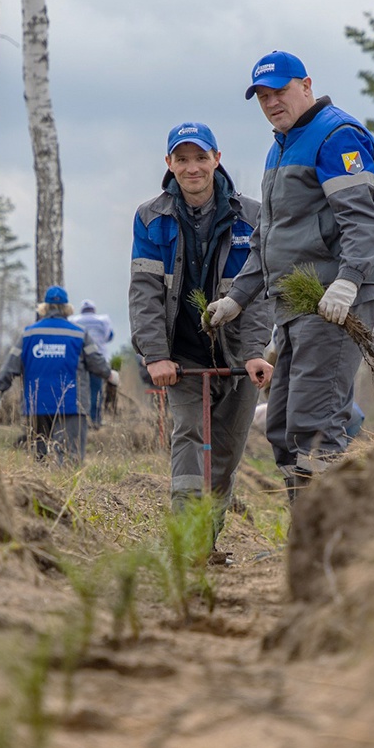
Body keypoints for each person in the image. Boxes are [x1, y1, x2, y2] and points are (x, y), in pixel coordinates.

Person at [205, 50, 374, 501]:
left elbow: (364, 223)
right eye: (263, 96)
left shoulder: (336, 137)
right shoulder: (279, 147)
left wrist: (348, 281)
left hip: (332, 303)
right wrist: (239, 297)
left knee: (316, 424)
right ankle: (307, 529)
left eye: (279, 92)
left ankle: (330, 541)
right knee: (283, 424)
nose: (271, 103)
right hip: (293, 305)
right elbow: (268, 234)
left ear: (306, 85)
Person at [129, 121, 273, 559]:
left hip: (238, 355)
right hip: (182, 355)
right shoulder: (151, 218)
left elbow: (261, 291)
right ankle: (185, 543)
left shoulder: (251, 215)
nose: (192, 168)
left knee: (226, 452)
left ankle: (205, 538)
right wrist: (155, 355)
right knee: (190, 436)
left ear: (217, 159)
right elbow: (145, 292)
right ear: (169, 164)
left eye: (200, 157)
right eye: (183, 159)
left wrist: (253, 353)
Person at [0, 285, 112, 464]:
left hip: (37, 404)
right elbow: (97, 364)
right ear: (67, 308)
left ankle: (42, 490)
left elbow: (10, 367)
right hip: (71, 405)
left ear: (44, 308)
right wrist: (111, 375)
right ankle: (68, 491)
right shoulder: (79, 334)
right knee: (70, 460)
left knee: (40, 460)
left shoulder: (28, 334)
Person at [70, 299, 115, 427]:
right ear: (93, 310)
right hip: (97, 361)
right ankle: (95, 421)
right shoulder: (103, 321)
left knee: (80, 391)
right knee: (96, 391)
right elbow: (110, 336)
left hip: (79, 362)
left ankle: (81, 420)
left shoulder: (75, 321)